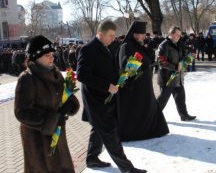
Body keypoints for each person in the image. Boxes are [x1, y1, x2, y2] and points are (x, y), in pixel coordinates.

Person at [77, 20, 146, 173]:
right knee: (110, 133)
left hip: (106, 96)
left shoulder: (107, 46)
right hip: (96, 99)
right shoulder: (88, 49)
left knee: (98, 128)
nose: (113, 38)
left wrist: (123, 75)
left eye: (114, 35)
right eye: (111, 35)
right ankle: (127, 168)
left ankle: (92, 158)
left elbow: (108, 69)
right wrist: (106, 86)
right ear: (100, 34)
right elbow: (82, 74)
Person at [14, 35, 80, 173]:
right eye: (47, 55)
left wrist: (70, 104)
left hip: (58, 135)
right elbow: (22, 112)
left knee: (62, 166)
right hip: (38, 141)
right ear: (35, 57)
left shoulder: (55, 74)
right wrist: (51, 119)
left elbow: (65, 94)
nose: (52, 58)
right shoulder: (27, 78)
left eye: (52, 54)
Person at [117, 21, 169, 141]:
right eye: (140, 34)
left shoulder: (139, 45)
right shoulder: (126, 46)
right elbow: (125, 66)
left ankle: (150, 130)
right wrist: (135, 65)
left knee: (148, 107)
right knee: (137, 110)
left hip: (144, 85)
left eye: (144, 34)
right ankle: (137, 133)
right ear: (134, 34)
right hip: (134, 86)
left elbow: (146, 59)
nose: (143, 37)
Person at [156, 26, 196, 121]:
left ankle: (184, 115)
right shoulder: (164, 45)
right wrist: (175, 67)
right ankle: (153, 117)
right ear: (171, 34)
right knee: (162, 100)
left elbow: (181, 58)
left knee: (181, 98)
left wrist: (188, 58)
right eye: (177, 34)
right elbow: (161, 61)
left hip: (178, 77)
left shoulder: (178, 44)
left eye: (180, 34)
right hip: (167, 78)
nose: (179, 36)